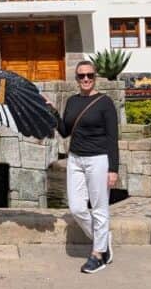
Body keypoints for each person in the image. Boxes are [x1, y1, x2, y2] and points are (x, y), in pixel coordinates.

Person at [51, 61, 119, 274]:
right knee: (77, 208)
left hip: (98, 159)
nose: (86, 79)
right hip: (75, 159)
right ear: (77, 79)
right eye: (81, 76)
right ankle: (103, 238)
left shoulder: (105, 102)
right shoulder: (72, 101)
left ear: (95, 76)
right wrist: (52, 111)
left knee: (99, 208)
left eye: (89, 75)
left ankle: (98, 254)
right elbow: (64, 131)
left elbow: (112, 138)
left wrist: (113, 169)